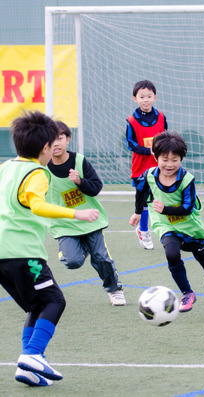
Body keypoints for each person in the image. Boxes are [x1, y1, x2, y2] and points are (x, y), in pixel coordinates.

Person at [0, 111, 99, 387]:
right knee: (55, 300)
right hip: (23, 253)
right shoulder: (38, 173)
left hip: (2, 255)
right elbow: (37, 205)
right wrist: (76, 214)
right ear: (45, 148)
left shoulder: (6, 168)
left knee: (37, 304)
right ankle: (32, 354)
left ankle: (29, 365)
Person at [128, 131, 204, 312]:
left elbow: (188, 208)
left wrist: (165, 209)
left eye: (175, 160)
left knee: (202, 256)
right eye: (165, 159)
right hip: (164, 223)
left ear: (181, 159)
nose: (169, 164)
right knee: (172, 254)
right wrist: (137, 212)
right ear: (155, 156)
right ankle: (187, 293)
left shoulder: (186, 179)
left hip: (188, 223)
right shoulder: (149, 175)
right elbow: (140, 192)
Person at [47, 121, 126, 306]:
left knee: (101, 257)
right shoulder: (42, 168)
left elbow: (96, 187)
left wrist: (80, 182)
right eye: (51, 139)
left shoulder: (79, 161)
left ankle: (114, 290)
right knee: (72, 261)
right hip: (64, 224)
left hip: (91, 221)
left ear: (68, 140)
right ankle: (75, 250)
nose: (56, 143)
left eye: (60, 138)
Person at [126, 79, 168, 250]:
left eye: (149, 96)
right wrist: (149, 151)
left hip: (160, 167)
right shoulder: (132, 121)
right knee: (143, 201)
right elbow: (131, 144)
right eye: (141, 96)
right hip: (140, 167)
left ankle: (169, 231)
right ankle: (143, 230)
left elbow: (166, 137)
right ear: (135, 98)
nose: (146, 99)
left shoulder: (161, 117)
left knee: (160, 199)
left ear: (155, 97)